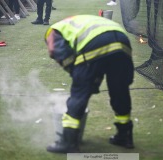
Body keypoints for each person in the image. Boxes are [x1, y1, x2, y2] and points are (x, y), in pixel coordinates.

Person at [44, 15, 135, 153]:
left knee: (79, 94)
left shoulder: (53, 31)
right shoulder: (81, 22)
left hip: (95, 43)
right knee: (120, 91)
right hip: (122, 43)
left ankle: (68, 142)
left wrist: (78, 77)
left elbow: (58, 53)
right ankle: (125, 136)